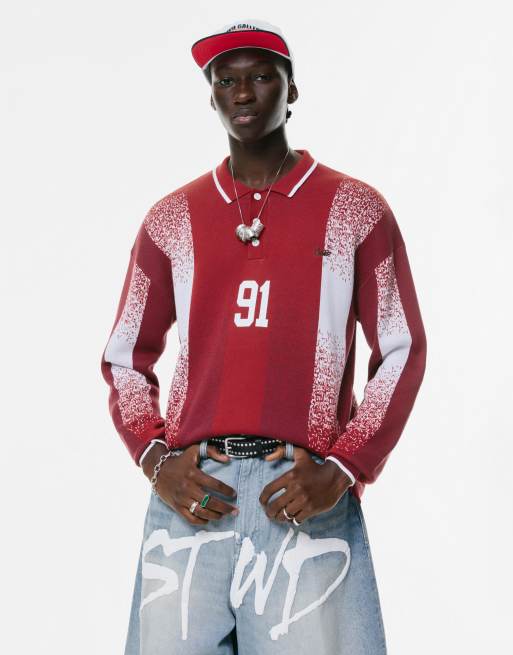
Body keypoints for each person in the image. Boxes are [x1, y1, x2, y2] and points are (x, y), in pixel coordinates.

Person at [100, 18, 427, 655]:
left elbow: (402, 347)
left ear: (291, 89)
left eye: (261, 76)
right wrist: (154, 460)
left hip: (301, 493)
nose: (243, 92)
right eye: (226, 80)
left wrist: (344, 467)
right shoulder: (171, 220)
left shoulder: (355, 210)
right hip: (195, 495)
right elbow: (124, 356)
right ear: (212, 97)